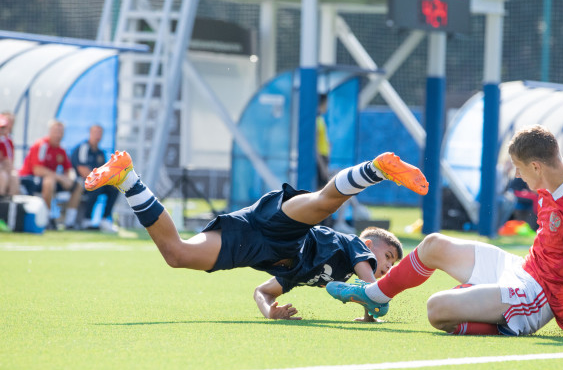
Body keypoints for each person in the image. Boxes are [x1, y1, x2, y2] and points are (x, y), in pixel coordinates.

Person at [327, 125, 563, 343]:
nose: (517, 176)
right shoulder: (551, 180)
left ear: (537, 166)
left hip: (537, 295)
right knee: (432, 244)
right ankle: (376, 295)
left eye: (519, 169)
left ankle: (508, 324)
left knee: (438, 309)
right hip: (523, 269)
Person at [85, 149, 429, 320]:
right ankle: (378, 169)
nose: (387, 269)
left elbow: (261, 290)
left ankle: (127, 177)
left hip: (255, 245)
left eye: (390, 265)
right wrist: (373, 296)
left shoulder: (311, 276)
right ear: (371, 246)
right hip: (289, 230)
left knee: (177, 254)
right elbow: (365, 271)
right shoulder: (357, 249)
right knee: (326, 203)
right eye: (388, 258)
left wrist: (269, 310)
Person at [18, 119, 79, 228]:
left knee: (78, 185)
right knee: (49, 182)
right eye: (56, 131)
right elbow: (38, 170)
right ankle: (46, 217)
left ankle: (69, 222)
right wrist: (61, 178)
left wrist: (69, 179)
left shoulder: (61, 149)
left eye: (61, 132)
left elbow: (68, 169)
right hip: (30, 179)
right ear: (50, 132)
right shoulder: (42, 145)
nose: (58, 135)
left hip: (52, 179)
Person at [69, 124, 119, 232]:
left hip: (97, 181)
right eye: (95, 132)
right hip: (82, 182)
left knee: (114, 188)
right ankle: (87, 219)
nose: (97, 135)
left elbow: (104, 171)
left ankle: (105, 219)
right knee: (96, 186)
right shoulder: (83, 148)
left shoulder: (100, 153)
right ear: (90, 133)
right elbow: (82, 170)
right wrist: (99, 180)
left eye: (100, 133)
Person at [0, 114, 19, 197]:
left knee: (14, 176)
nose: (2, 130)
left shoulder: (7, 141)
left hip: (5, 169)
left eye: (4, 127)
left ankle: (9, 205)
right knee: (2, 177)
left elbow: (9, 161)